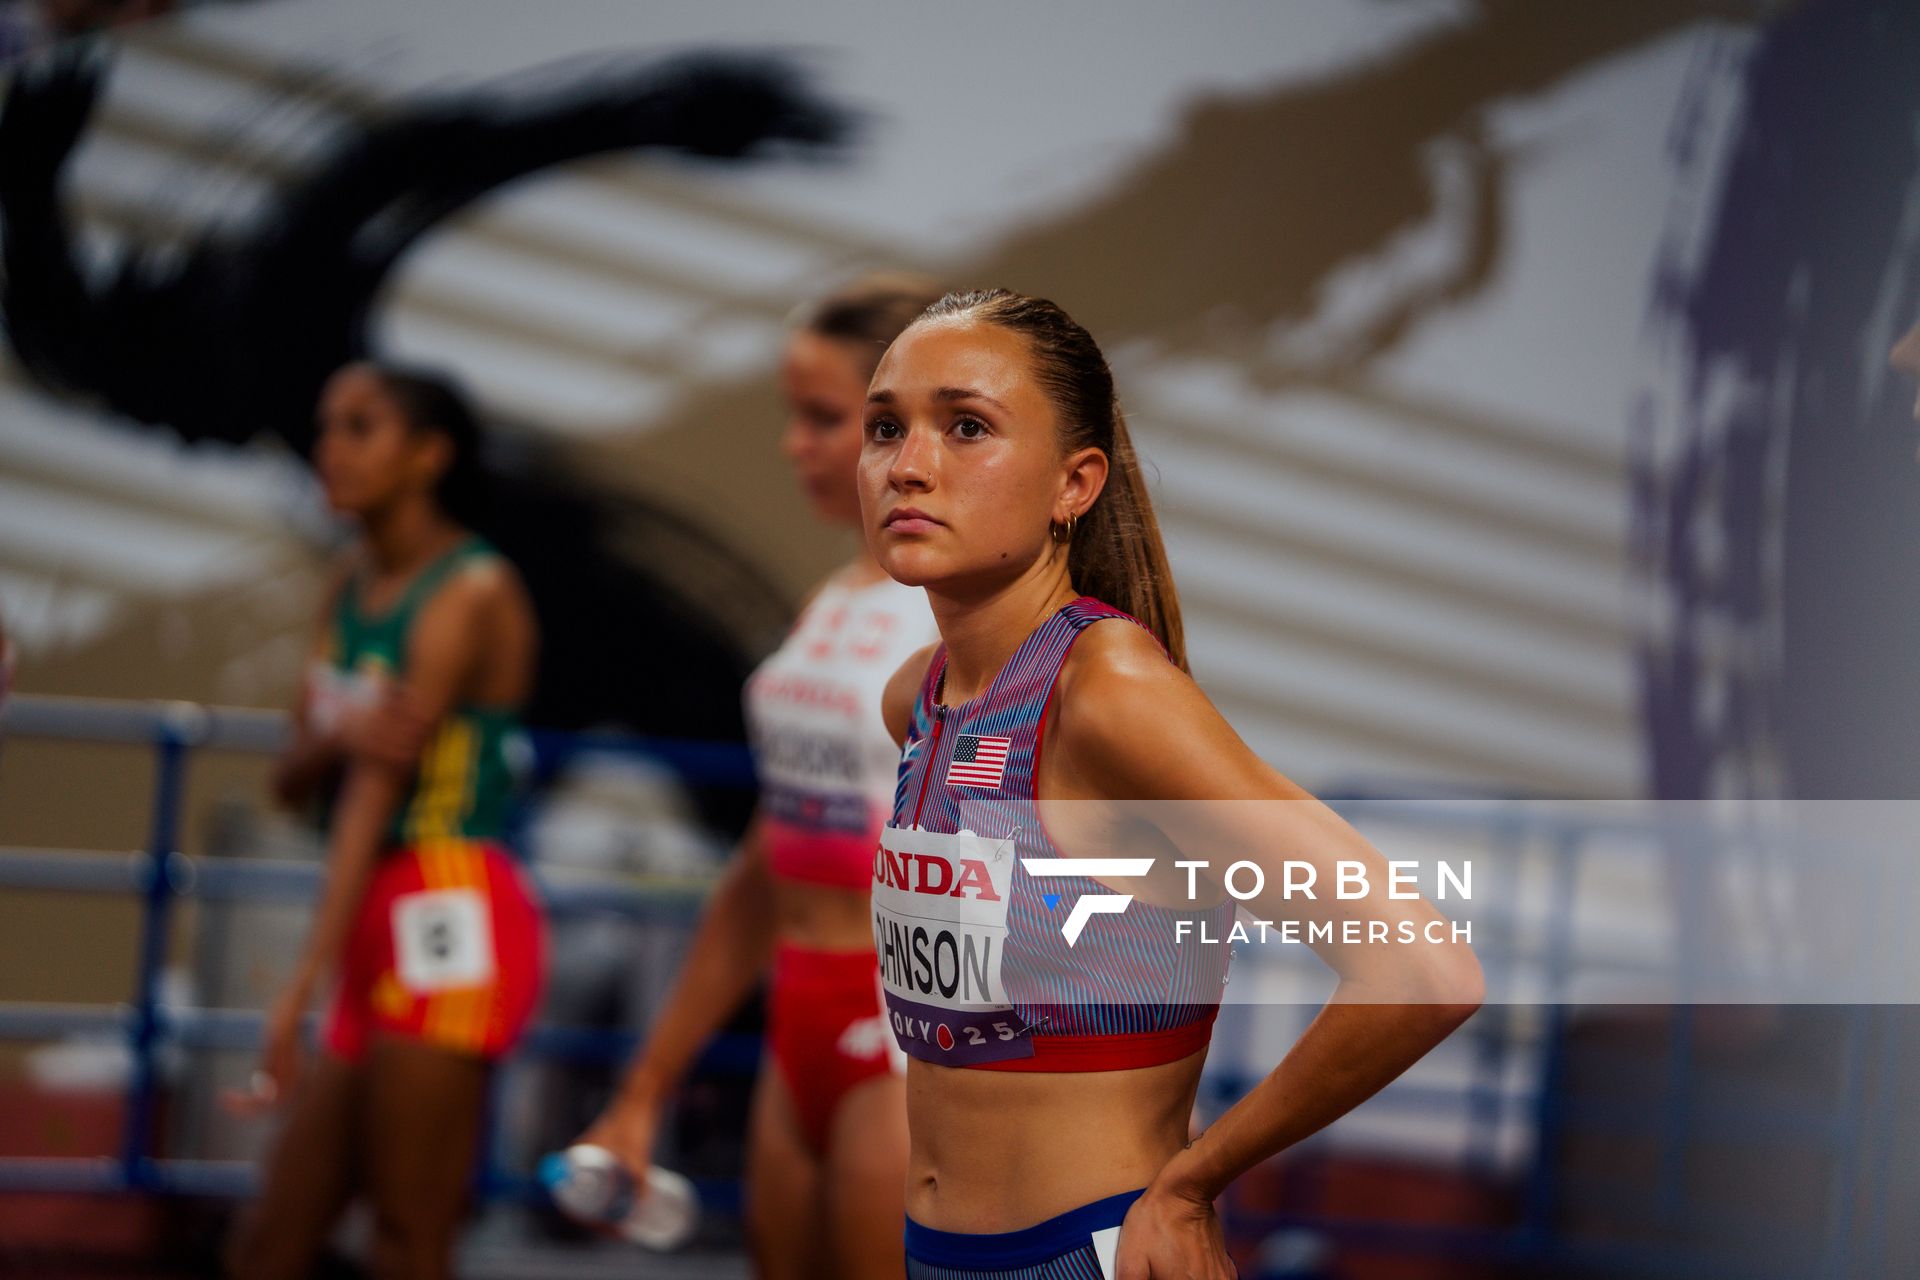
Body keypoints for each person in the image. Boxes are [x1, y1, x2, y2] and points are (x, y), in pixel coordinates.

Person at [861, 289, 1485, 1278]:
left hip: (1085, 1249)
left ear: (1076, 483)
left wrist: (1195, 1182)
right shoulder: (919, 698)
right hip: (936, 1252)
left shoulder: (1108, 692)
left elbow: (1423, 968)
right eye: (887, 425)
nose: (907, 463)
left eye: (966, 426)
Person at [580, 276, 943, 1279]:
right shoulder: (833, 600)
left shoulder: (964, 615)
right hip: (801, 1016)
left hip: (909, 1031)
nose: (795, 443)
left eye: (824, 418)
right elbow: (766, 857)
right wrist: (645, 1085)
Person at [225, 362, 544, 1280]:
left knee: (408, 1235)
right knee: (270, 1242)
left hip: (446, 910)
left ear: (428, 456)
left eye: (360, 427)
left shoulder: (470, 590)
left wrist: (294, 995)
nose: (330, 448)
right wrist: (337, 732)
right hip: (371, 917)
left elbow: (369, 796)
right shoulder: (349, 582)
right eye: (327, 426)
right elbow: (293, 777)